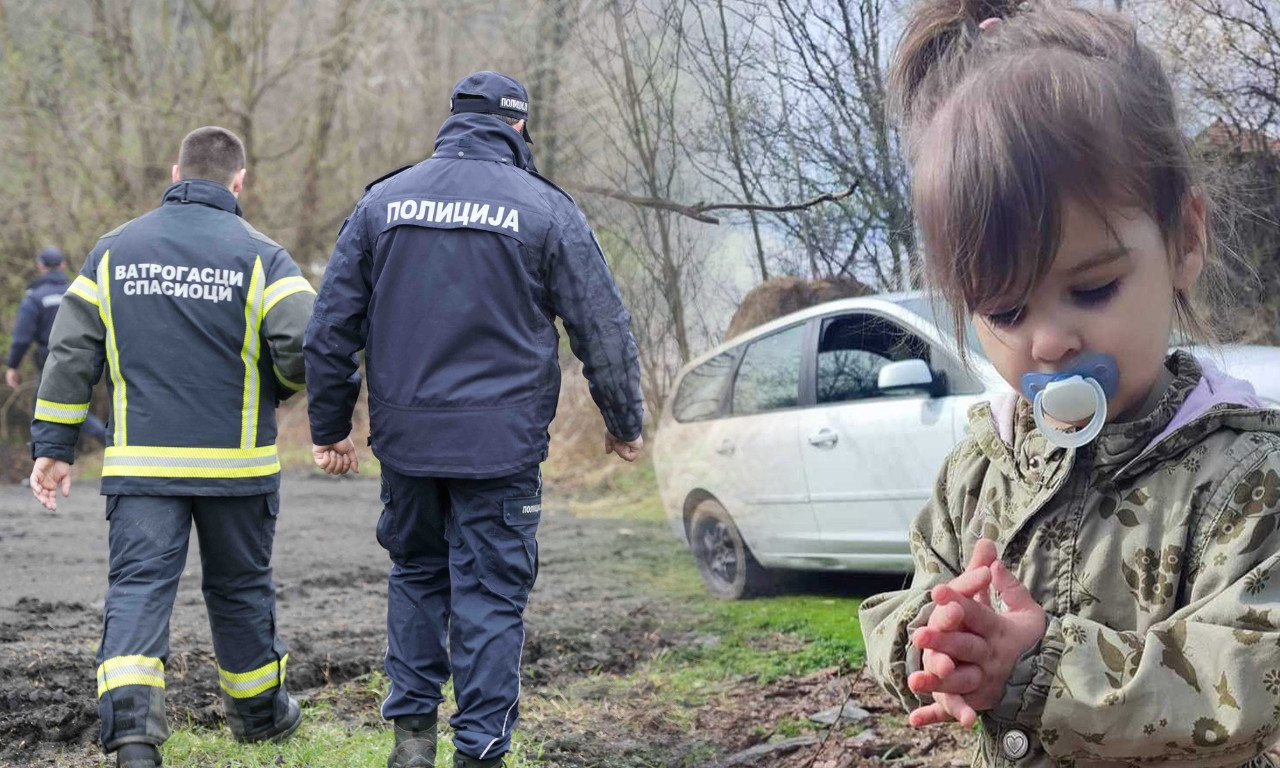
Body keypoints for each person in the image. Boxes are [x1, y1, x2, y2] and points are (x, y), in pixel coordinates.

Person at [859, 2, 1280, 766]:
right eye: (1007, 309)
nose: (1048, 341)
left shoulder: (1245, 477)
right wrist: (937, 645)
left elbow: (1254, 674)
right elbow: (901, 601)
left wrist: (1040, 666)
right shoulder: (981, 472)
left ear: (1183, 240)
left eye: (1092, 290)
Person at [304, 71, 645, 768]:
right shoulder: (545, 210)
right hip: (501, 447)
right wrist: (624, 420)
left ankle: (411, 742)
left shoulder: (382, 202)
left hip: (408, 441)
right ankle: (480, 751)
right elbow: (603, 327)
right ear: (520, 127)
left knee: (418, 575)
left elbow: (330, 327)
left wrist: (329, 426)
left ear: (453, 119)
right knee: (490, 596)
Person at [28, 126, 316, 768]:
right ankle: (261, 717)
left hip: (143, 468)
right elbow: (306, 349)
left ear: (175, 170)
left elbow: (71, 352)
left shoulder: (112, 251)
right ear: (238, 182)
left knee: (137, 591)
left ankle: (133, 740)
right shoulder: (266, 257)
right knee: (241, 589)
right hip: (238, 469)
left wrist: (54, 445)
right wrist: (276, 389)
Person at [6, 246, 108, 444]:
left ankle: (44, 462)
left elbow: (22, 338)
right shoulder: (77, 290)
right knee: (71, 406)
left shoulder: (35, 298)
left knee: (45, 410)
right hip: (84, 356)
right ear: (62, 265)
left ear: (40, 267)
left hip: (50, 361)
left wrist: (13, 365)